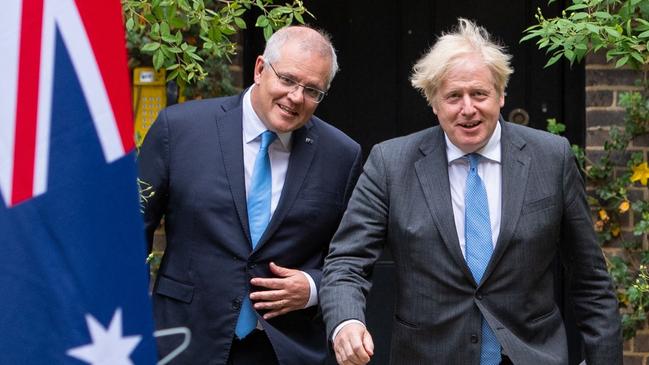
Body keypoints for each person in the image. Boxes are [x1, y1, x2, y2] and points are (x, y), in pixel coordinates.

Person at [319, 18, 622, 365]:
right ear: (433, 102)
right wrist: (346, 321)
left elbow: (591, 281)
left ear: (501, 94)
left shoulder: (551, 158)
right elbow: (346, 261)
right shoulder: (391, 163)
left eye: (479, 94)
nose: (468, 109)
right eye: (452, 97)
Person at [138, 26, 362, 365]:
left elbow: (349, 255)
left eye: (312, 90)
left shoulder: (341, 155)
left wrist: (313, 286)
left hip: (282, 348)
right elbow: (129, 232)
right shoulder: (180, 129)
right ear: (260, 69)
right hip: (182, 341)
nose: (296, 97)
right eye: (287, 79)